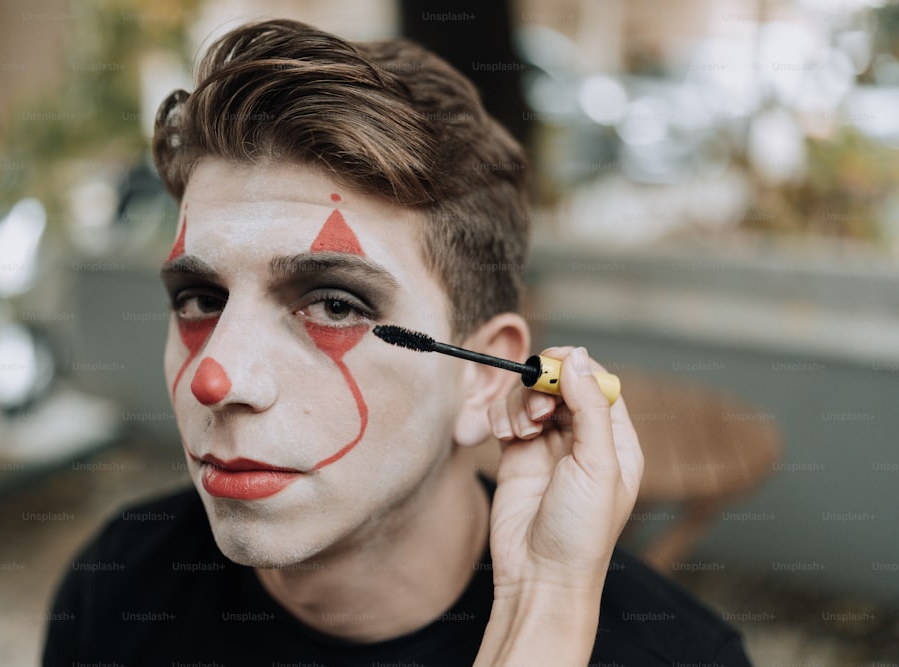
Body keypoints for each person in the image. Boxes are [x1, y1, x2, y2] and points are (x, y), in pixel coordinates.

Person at [43, 19, 752, 666]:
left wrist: (543, 619)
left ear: (481, 376)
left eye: (333, 302)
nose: (216, 378)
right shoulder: (117, 587)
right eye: (200, 298)